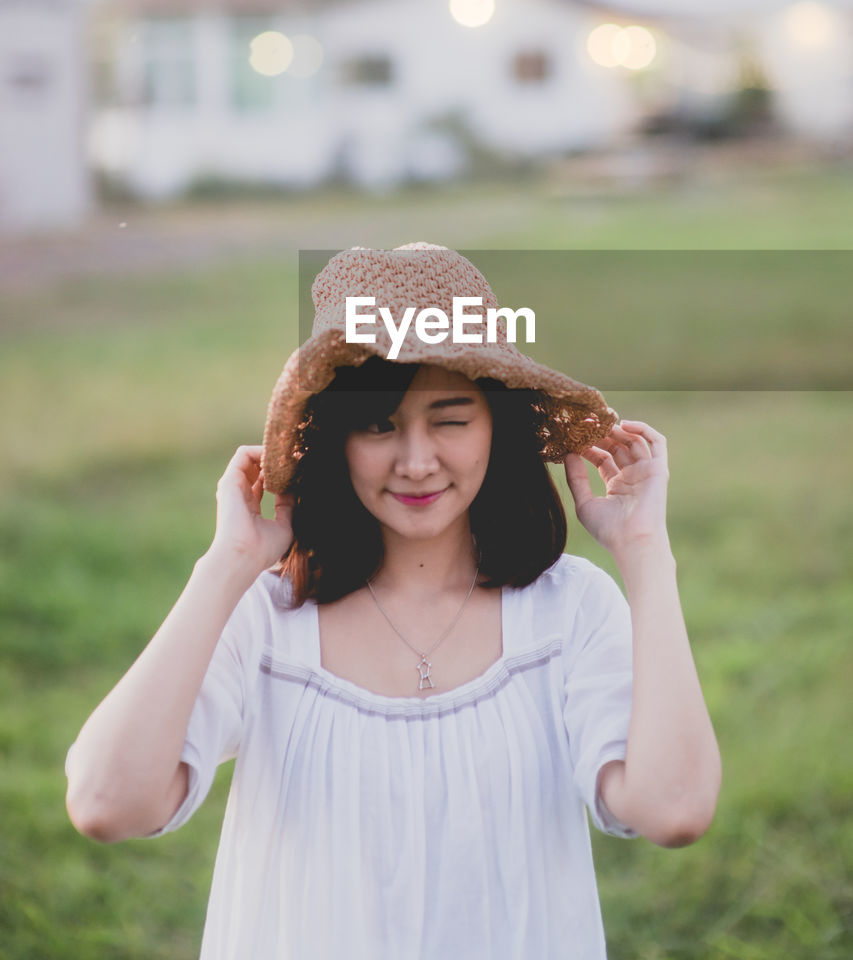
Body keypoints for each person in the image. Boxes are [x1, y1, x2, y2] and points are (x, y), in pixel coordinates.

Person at [65, 244, 721, 960]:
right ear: (334, 440)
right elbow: (106, 804)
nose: (414, 461)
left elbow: (674, 810)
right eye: (378, 424)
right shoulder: (266, 616)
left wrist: (644, 556)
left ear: (495, 427)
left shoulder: (568, 610)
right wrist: (227, 565)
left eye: (450, 418)